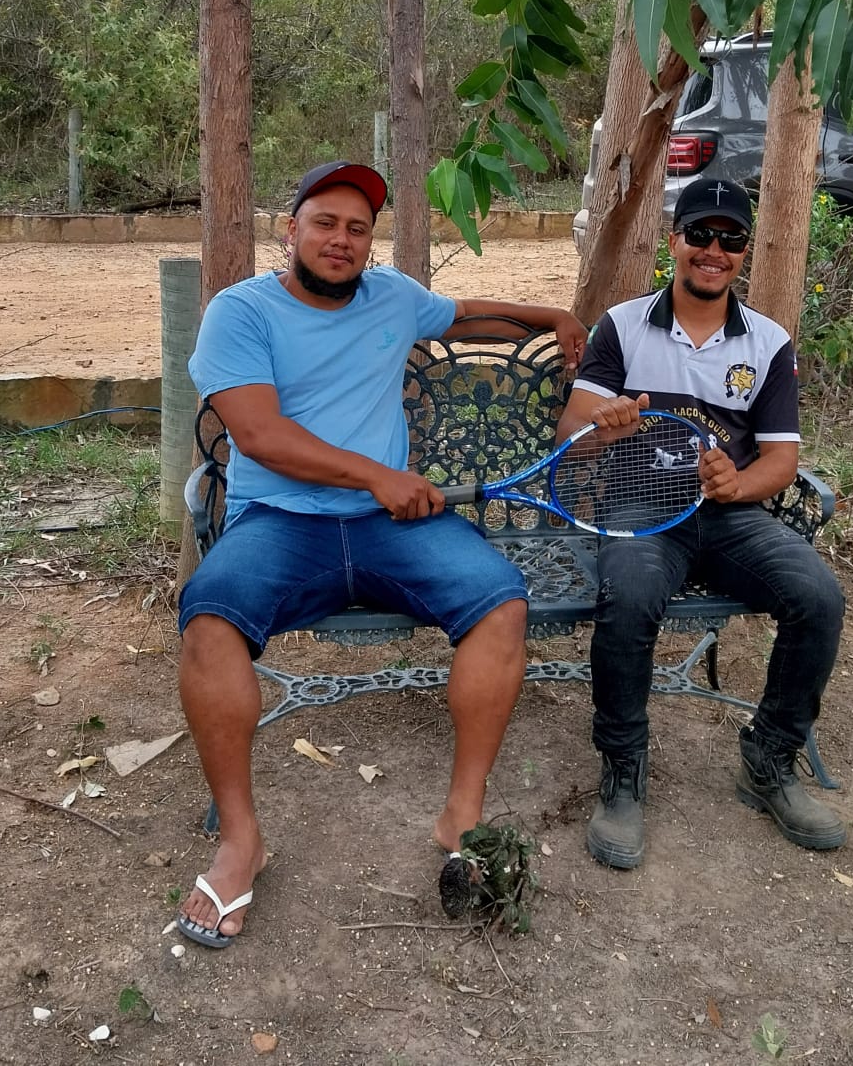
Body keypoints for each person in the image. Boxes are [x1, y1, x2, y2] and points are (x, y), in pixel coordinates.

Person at [176, 161, 587, 947]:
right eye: (325, 223)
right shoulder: (241, 312)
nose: (341, 240)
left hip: (389, 526)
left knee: (501, 602)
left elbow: (467, 313)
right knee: (210, 620)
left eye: (358, 229)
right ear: (290, 231)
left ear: (370, 242)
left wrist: (552, 314)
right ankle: (240, 840)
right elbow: (258, 436)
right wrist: (377, 475)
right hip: (281, 523)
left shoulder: (393, 296)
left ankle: (461, 816)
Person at [556, 177, 845, 869]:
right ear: (674, 241)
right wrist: (606, 426)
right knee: (629, 597)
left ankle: (769, 760)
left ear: (744, 251)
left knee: (819, 598)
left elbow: (781, 460)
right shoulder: (623, 326)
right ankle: (623, 768)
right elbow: (571, 434)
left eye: (731, 238)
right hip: (642, 510)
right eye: (700, 234)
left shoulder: (768, 342)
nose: (714, 250)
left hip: (732, 516)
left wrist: (737, 484)